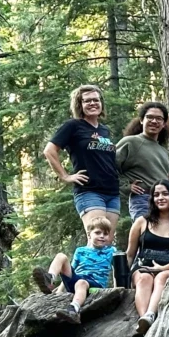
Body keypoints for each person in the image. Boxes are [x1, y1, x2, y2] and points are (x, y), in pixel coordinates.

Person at [44, 84, 119, 231]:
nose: (92, 103)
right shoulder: (73, 126)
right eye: (87, 101)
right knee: (96, 239)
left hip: (112, 192)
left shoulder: (104, 130)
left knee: (107, 241)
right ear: (80, 105)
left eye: (96, 100)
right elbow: (49, 151)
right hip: (89, 191)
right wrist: (65, 176)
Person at [126, 180, 169, 333]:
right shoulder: (141, 222)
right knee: (145, 278)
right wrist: (123, 279)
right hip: (143, 267)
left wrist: (162, 268)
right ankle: (143, 320)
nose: (160, 198)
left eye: (165, 194)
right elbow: (130, 254)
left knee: (162, 277)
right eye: (156, 195)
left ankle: (151, 314)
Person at [31, 216, 115, 324]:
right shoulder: (80, 251)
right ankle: (50, 278)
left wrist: (116, 288)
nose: (102, 236)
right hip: (77, 280)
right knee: (61, 256)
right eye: (98, 233)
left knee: (81, 283)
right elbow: (70, 269)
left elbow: (117, 270)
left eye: (106, 234)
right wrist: (60, 291)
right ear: (89, 234)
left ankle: (73, 310)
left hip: (95, 286)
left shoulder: (111, 251)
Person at [116, 102, 169, 220]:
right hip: (143, 199)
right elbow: (108, 167)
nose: (154, 121)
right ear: (141, 120)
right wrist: (125, 185)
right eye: (150, 117)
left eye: (159, 119)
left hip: (165, 200)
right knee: (146, 235)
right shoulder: (130, 142)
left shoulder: (163, 150)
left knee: (165, 236)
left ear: (163, 124)